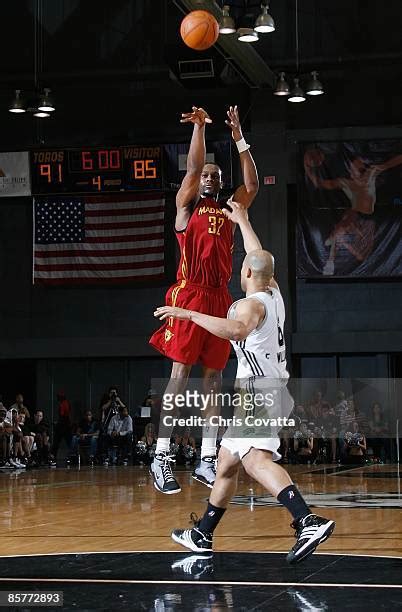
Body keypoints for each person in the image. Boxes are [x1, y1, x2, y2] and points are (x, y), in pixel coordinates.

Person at [155, 201, 335, 564]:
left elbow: (235, 330)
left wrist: (187, 313)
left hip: (259, 392)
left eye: (242, 269)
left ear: (247, 275)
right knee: (225, 463)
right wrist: (244, 220)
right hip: (268, 390)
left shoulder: (248, 306)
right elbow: (257, 253)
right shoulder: (274, 292)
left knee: (255, 461)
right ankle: (203, 534)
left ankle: (307, 520)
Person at [149, 105, 259, 494]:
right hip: (189, 293)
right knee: (179, 376)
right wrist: (199, 129)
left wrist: (238, 138)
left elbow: (253, 185)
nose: (211, 178)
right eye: (207, 176)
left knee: (214, 381)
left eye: (217, 174)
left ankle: (206, 458)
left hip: (218, 297)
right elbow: (193, 170)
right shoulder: (186, 206)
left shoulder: (231, 210)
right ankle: (161, 455)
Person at [304, 150, 402, 275]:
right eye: (355, 168)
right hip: (353, 213)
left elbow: (397, 159)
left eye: (361, 168)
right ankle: (330, 260)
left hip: (368, 216)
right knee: (342, 225)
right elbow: (321, 184)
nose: (359, 171)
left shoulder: (371, 174)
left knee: (361, 255)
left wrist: (384, 165)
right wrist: (307, 167)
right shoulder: (346, 183)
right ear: (350, 171)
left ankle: (337, 238)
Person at [51, 390, 72, 462]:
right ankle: (71, 456)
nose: (57, 398)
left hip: (63, 426)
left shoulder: (63, 404)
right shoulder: (66, 403)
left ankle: (53, 456)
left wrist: (58, 423)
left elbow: (63, 416)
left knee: (57, 441)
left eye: (58, 397)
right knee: (68, 442)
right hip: (66, 425)